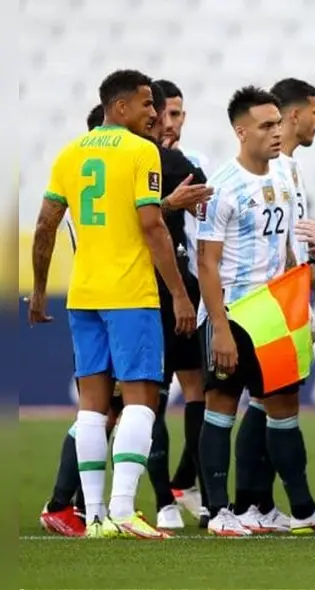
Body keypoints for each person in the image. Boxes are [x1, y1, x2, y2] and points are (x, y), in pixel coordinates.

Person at [29, 69, 196, 539]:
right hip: (130, 294)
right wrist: (180, 295)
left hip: (83, 295)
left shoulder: (69, 153)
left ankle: (95, 516)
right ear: (119, 107)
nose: (154, 113)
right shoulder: (143, 152)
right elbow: (152, 226)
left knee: (92, 407)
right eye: (147, 104)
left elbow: (45, 226)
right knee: (142, 399)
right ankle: (123, 509)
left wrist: (41, 290)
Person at [196, 86, 315, 537]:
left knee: (283, 408)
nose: (275, 133)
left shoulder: (286, 176)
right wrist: (221, 330)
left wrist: (306, 299)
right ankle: (219, 512)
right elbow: (206, 263)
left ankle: (302, 510)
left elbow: (290, 250)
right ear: (241, 131)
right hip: (235, 310)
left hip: (276, 311)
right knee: (222, 408)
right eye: (266, 126)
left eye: (276, 124)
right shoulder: (221, 187)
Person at [156, 78, 212, 526]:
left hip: (187, 288)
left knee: (200, 390)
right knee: (137, 400)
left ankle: (186, 483)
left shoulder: (190, 164)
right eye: (166, 115)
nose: (172, 124)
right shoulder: (138, 164)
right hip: (140, 294)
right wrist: (170, 204)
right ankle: (160, 499)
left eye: (178, 115)